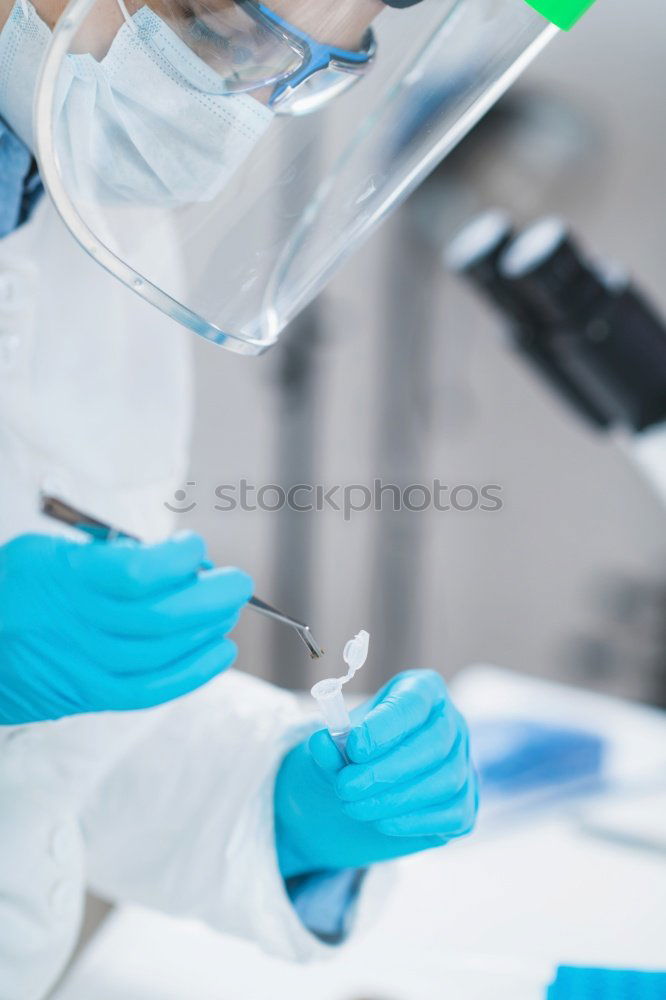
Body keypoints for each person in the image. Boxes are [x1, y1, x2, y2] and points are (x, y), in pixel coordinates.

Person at [0, 2, 477, 998]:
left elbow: (62, 760)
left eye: (289, 69)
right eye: (213, 24)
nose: (209, 107)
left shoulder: (83, 201)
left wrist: (283, 812)